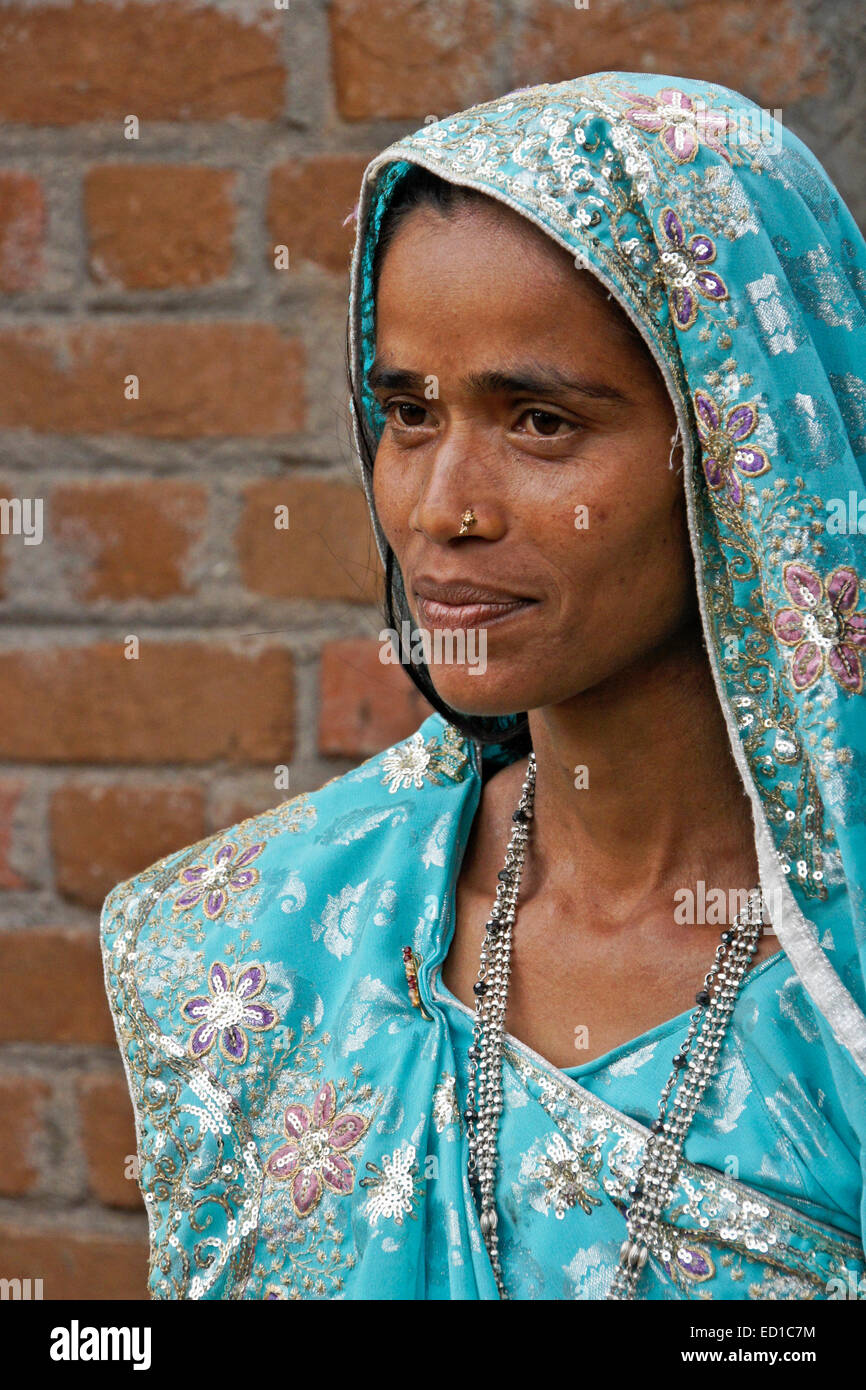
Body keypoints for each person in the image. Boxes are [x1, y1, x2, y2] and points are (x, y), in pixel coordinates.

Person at [100, 71, 866, 1300]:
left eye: (540, 422)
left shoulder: (835, 997)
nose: (440, 508)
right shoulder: (267, 939)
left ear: (740, 446)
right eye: (407, 412)